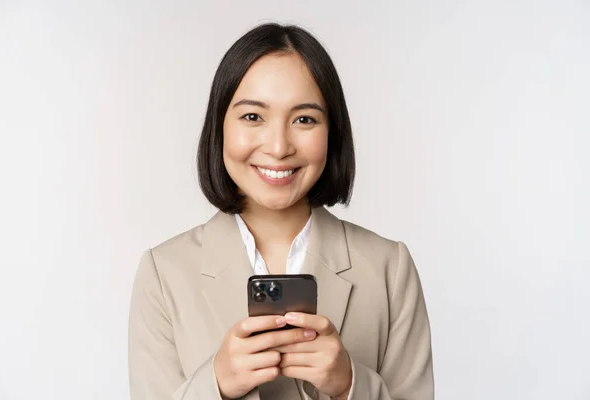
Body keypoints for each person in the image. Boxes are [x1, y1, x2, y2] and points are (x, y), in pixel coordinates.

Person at [128, 22, 434, 400]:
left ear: (332, 131)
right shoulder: (164, 273)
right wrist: (216, 384)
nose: (278, 146)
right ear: (219, 127)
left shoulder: (390, 268)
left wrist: (350, 384)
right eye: (253, 117)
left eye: (304, 119)